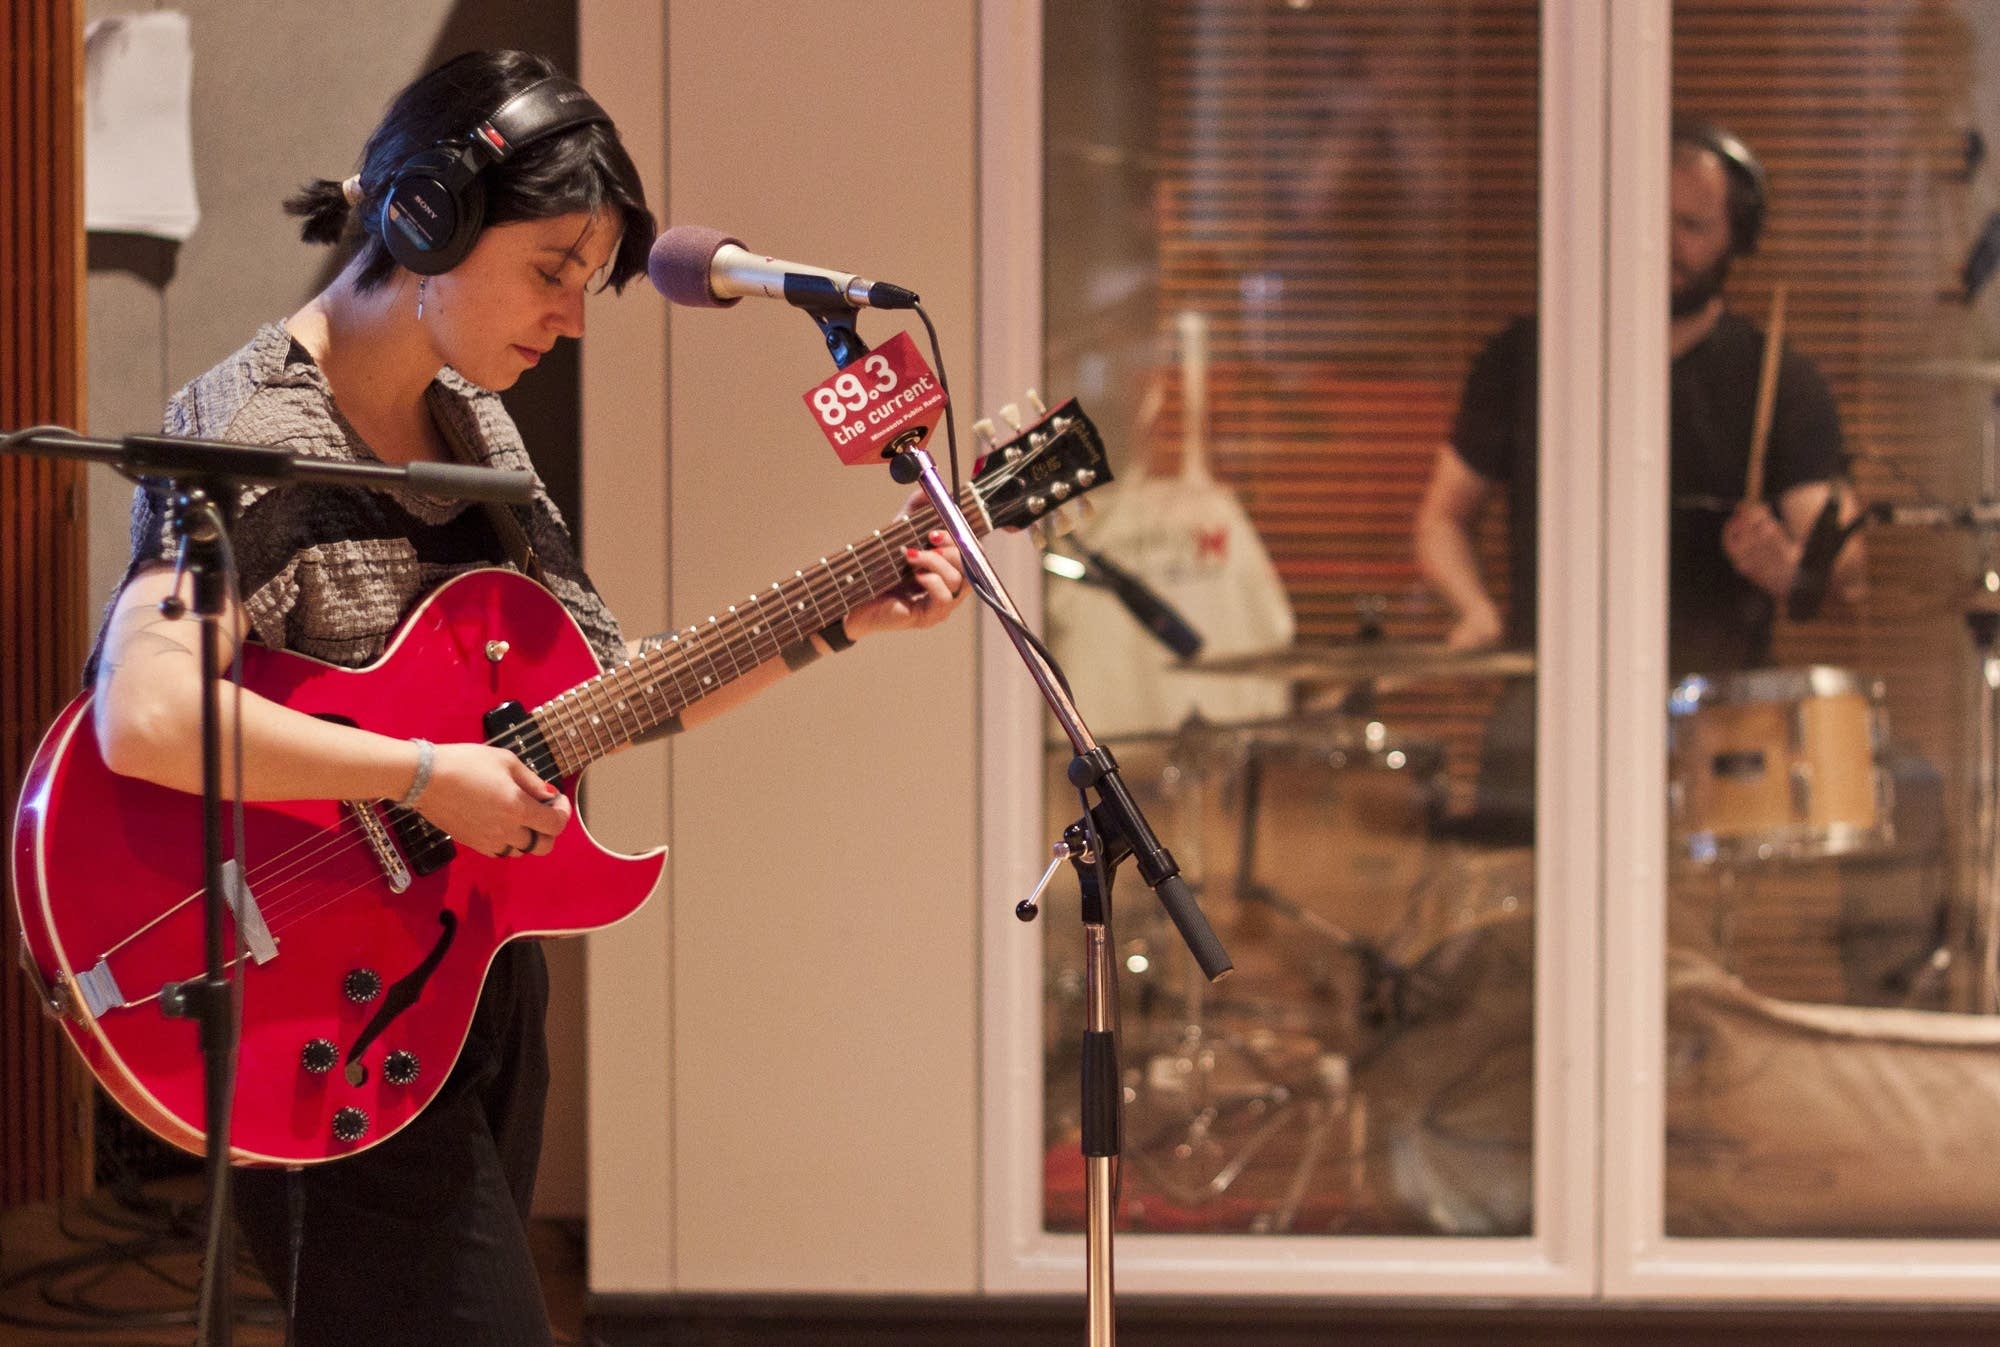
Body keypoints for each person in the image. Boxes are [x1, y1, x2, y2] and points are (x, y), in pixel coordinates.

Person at [85, 50, 967, 1347]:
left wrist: (842, 622)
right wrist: (424, 777)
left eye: (588, 279)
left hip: (466, 975)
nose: (573, 314)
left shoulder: (474, 428)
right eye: (552, 268)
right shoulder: (250, 426)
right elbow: (144, 715)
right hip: (302, 993)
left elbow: (603, 694)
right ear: (425, 222)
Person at [1411, 121, 1864, 826]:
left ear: (1737, 237)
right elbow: (1443, 517)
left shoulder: (1778, 378)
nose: (1666, 245)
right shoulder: (1526, 357)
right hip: (1550, 700)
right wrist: (1475, 608)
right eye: (1649, 221)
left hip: (1715, 715)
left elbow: (1846, 566)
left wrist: (1789, 566)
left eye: (1692, 225)